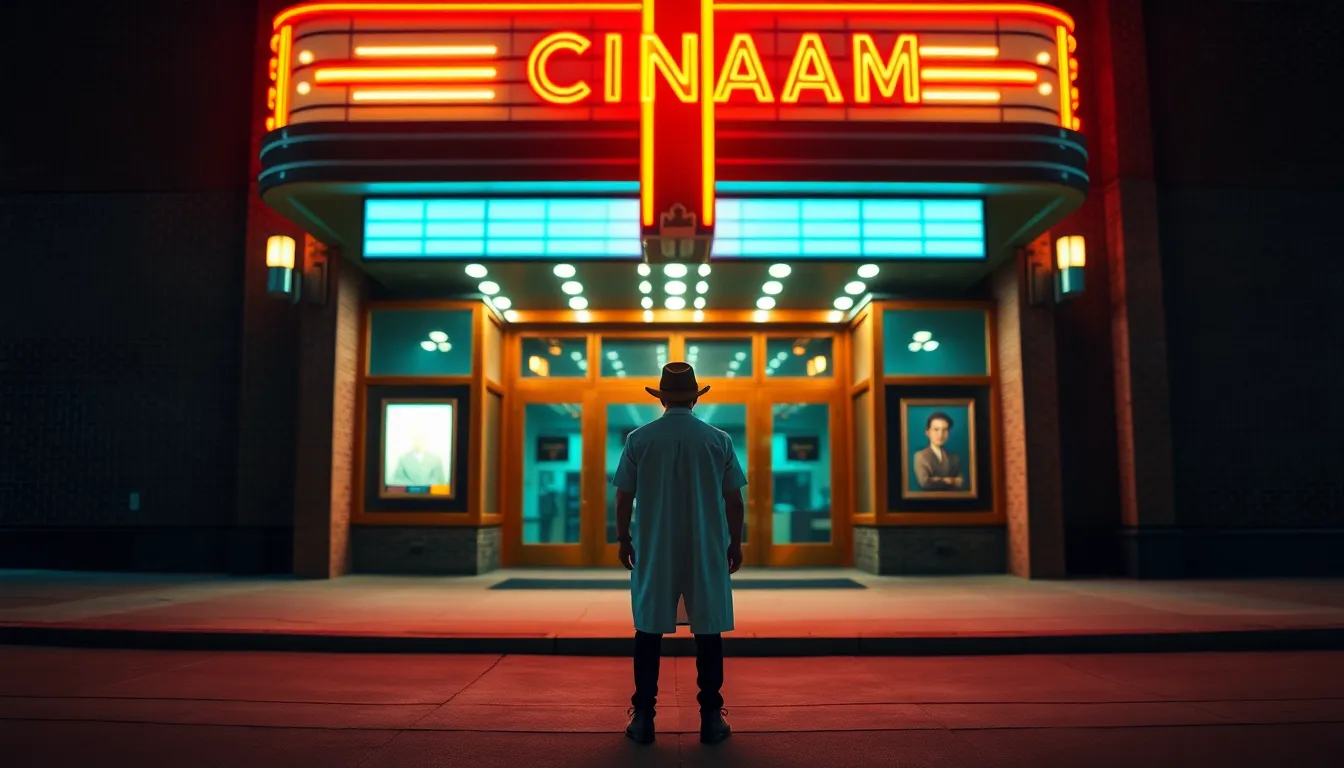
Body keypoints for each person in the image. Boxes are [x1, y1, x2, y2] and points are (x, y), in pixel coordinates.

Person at [614, 362, 746, 746]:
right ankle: (710, 717)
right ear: (693, 398)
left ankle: (643, 718)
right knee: (708, 630)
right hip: (706, 546)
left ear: (662, 399)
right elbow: (734, 500)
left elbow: (623, 496)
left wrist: (624, 539)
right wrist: (734, 542)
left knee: (649, 629)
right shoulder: (718, 440)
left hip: (655, 546)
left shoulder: (639, 439)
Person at [913, 411, 963, 491]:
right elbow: (924, 483)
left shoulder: (954, 457)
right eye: (936, 430)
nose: (940, 434)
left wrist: (936, 479)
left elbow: (960, 483)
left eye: (945, 430)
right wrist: (951, 481)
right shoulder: (920, 456)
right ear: (928, 433)